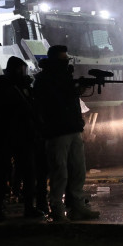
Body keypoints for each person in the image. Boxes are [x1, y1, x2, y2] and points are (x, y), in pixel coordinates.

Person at [33, 45, 99, 221]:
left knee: (78, 170)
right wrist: (73, 89)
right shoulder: (45, 79)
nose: (66, 63)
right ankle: (56, 208)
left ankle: (77, 206)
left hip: (72, 128)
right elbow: (52, 102)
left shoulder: (62, 77)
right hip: (57, 131)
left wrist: (76, 89)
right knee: (59, 172)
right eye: (63, 60)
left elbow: (69, 99)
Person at [0, 56, 43, 221]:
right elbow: (31, 109)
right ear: (17, 69)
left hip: (5, 135)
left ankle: (0, 210)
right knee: (25, 173)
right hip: (17, 136)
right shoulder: (16, 88)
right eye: (23, 69)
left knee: (3, 174)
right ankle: (26, 208)